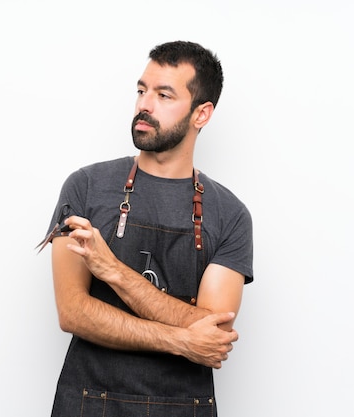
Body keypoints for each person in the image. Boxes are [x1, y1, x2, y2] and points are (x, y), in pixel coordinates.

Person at [38, 40, 254, 417]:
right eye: (142, 91)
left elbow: (214, 332)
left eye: (164, 95)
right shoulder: (86, 187)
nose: (144, 105)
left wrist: (114, 272)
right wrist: (182, 339)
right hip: (90, 403)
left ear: (202, 114)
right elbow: (72, 311)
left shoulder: (230, 214)